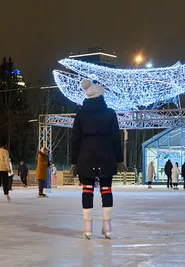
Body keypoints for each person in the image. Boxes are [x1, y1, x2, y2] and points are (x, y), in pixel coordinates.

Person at [70, 79, 125, 240]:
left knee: (87, 190)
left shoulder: (80, 114)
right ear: (101, 95)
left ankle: (87, 228)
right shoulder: (110, 113)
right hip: (106, 156)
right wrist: (119, 159)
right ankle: (107, 227)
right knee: (106, 190)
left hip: (85, 156)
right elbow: (116, 138)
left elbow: (75, 140)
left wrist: (74, 162)